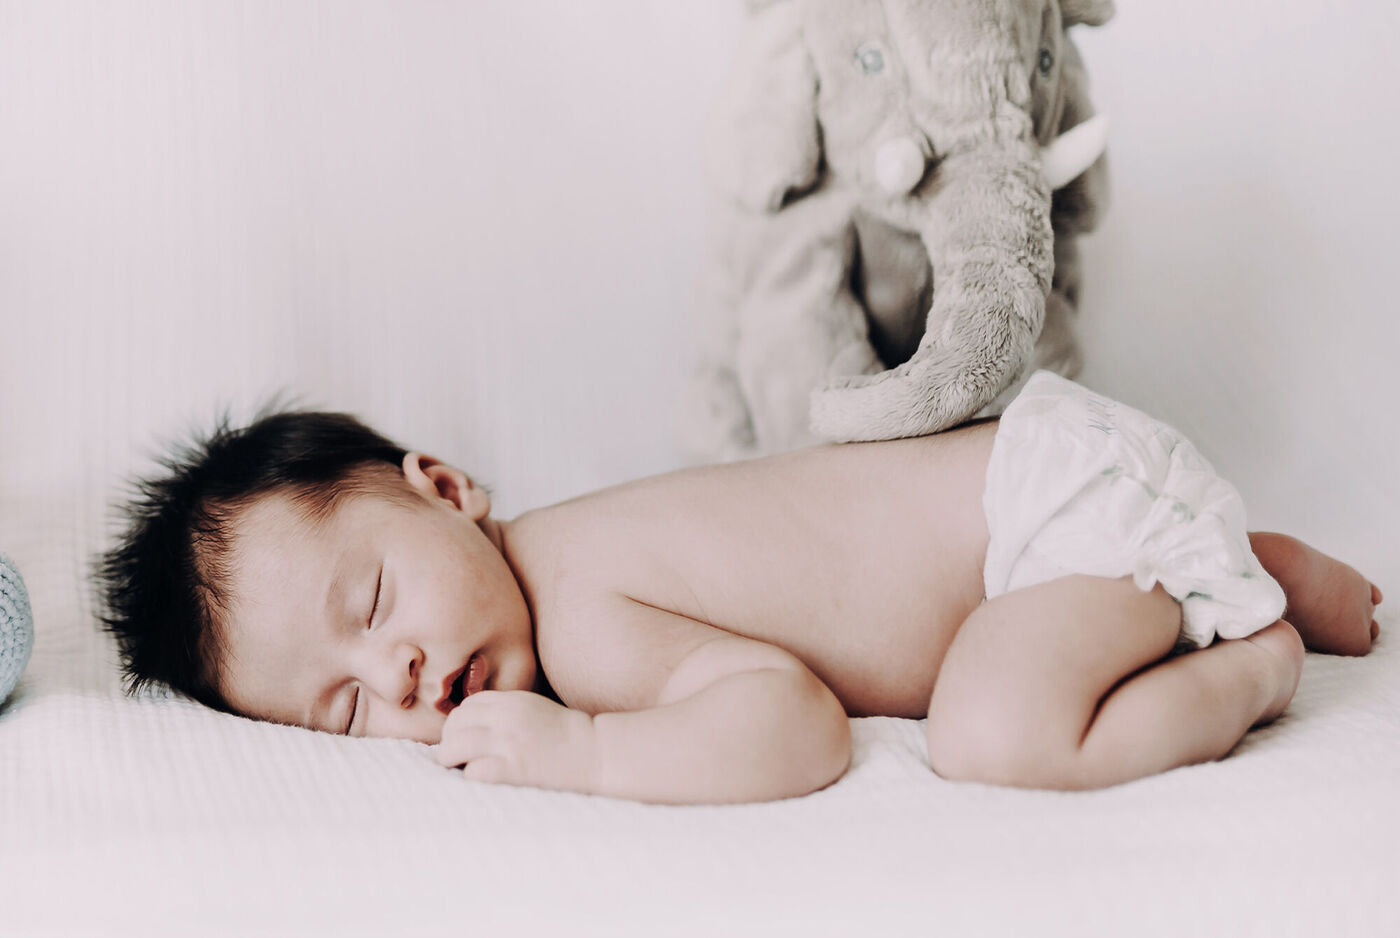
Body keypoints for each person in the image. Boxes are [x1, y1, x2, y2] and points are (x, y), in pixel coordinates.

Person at [99, 372, 1382, 804]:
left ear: (443, 487)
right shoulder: (558, 566)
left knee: (996, 736)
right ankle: (1226, 554)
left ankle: (1250, 648)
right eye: (343, 708)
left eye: (372, 605)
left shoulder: (584, 623)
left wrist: (590, 755)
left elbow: (795, 722)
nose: (400, 679)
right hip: (1065, 497)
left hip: (1046, 514)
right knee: (1018, 657)